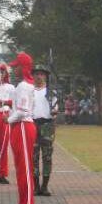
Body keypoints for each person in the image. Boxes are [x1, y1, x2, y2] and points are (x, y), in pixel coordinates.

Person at [5, 52, 37, 204]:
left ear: (23, 67)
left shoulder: (24, 86)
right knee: (21, 167)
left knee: (24, 167)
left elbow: (23, 111)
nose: (13, 69)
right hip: (21, 126)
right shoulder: (25, 85)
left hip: (23, 126)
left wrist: (8, 119)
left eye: (16, 66)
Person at [31, 64, 60, 196]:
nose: (39, 76)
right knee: (34, 157)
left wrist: (55, 112)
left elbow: (55, 108)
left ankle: (45, 186)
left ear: (46, 76)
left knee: (47, 156)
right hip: (33, 124)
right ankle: (36, 186)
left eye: (42, 74)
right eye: (37, 74)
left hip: (47, 125)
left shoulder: (50, 92)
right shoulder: (29, 91)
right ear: (33, 76)